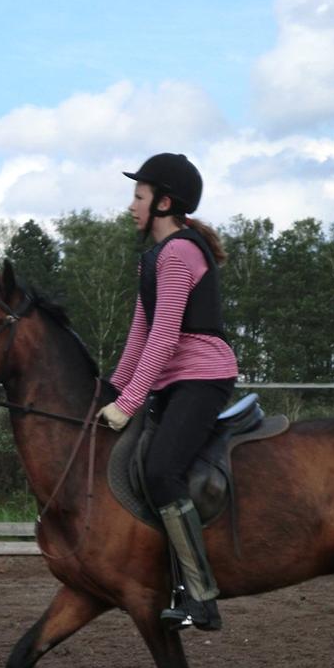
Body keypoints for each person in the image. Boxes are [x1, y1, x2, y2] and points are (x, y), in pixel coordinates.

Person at [97, 153, 239, 631]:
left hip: (202, 376)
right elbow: (138, 335)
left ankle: (202, 594)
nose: (132, 206)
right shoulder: (152, 259)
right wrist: (112, 391)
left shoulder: (181, 252)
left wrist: (129, 403)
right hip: (171, 379)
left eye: (138, 196)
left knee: (161, 470)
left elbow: (165, 336)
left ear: (164, 202)